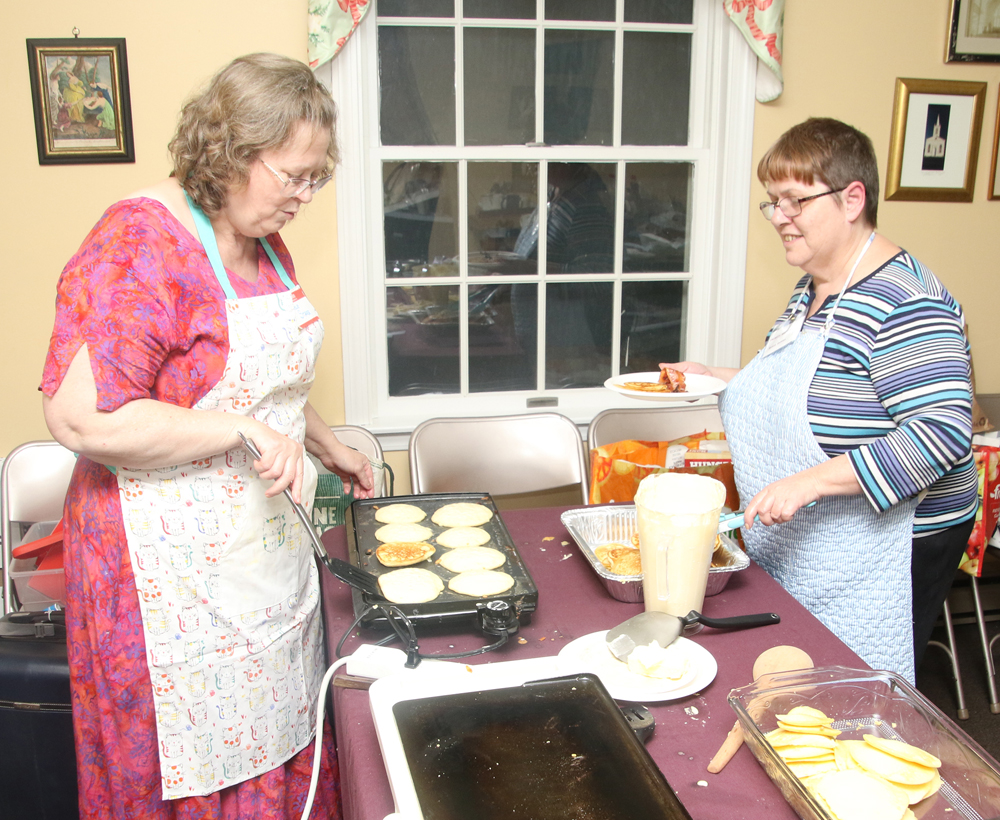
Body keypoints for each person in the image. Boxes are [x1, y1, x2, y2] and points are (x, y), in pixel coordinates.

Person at [40, 53, 374, 819]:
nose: (304, 196)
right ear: (230, 152)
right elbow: (80, 417)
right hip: (164, 580)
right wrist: (239, 428)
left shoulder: (259, 240)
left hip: (255, 555)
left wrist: (328, 447)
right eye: (292, 175)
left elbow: (265, 383)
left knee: (275, 725)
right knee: (195, 753)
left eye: (316, 177)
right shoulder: (142, 245)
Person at [664, 118, 977, 684]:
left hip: (892, 546)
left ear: (852, 198)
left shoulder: (906, 301)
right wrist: (715, 376)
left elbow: (941, 434)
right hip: (824, 536)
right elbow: (804, 384)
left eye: (794, 201)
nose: (779, 217)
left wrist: (809, 481)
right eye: (772, 203)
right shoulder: (817, 284)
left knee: (858, 689)